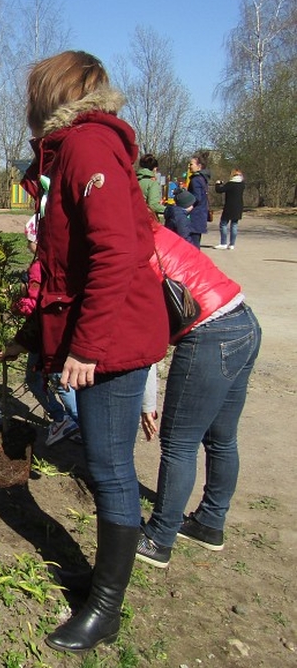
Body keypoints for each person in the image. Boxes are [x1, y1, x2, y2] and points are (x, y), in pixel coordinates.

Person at [3, 50, 169, 654]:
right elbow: (61, 265)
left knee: (109, 468)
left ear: (52, 94)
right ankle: (101, 582)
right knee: (106, 465)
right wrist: (30, 336)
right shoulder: (73, 150)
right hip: (107, 335)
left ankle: (106, 607)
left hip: (115, 342)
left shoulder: (85, 147)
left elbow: (116, 253)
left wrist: (88, 347)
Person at [136, 219, 261, 568]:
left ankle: (159, 538)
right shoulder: (155, 230)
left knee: (179, 443)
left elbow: (145, 334)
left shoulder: (130, 249)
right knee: (222, 438)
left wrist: (147, 402)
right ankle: (210, 522)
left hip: (209, 334)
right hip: (243, 320)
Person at [15, 215, 80, 446]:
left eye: (30, 240)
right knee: (58, 380)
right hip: (57, 334)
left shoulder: (38, 267)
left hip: (42, 336)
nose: (28, 246)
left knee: (52, 380)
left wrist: (18, 303)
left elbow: (34, 304)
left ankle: (72, 420)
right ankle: (69, 420)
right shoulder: (63, 261)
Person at [214, 169, 245, 250]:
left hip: (229, 206)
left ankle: (223, 243)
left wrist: (218, 184)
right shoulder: (242, 184)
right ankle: (232, 244)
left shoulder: (230, 183)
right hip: (238, 206)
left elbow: (219, 190)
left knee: (223, 224)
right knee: (234, 225)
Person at [185, 152, 211, 247]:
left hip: (195, 216)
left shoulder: (195, 180)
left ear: (199, 166)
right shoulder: (203, 179)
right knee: (196, 243)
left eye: (191, 164)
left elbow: (197, 197)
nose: (190, 166)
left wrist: (188, 207)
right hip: (201, 215)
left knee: (193, 245)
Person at [136, 154, 165, 220]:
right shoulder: (152, 183)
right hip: (147, 219)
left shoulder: (133, 181)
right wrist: (169, 209)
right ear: (154, 169)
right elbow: (153, 205)